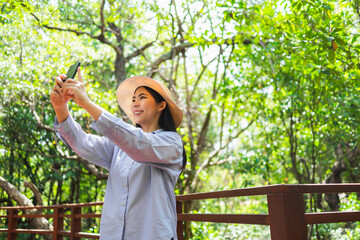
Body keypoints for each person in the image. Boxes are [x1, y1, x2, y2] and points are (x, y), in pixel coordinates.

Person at [50, 67, 186, 240]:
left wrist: (87, 103)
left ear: (161, 105)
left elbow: (139, 144)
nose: (135, 103)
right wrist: (60, 107)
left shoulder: (172, 143)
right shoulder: (119, 146)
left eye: (142, 98)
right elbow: (82, 143)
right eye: (133, 99)